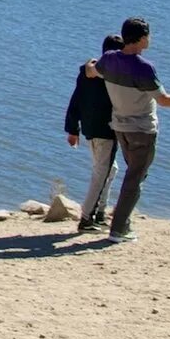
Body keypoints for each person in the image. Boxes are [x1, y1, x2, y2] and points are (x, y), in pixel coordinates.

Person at [96, 16, 170, 243]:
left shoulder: (108, 59)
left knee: (133, 175)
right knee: (135, 178)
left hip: (120, 128)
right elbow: (165, 100)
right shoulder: (144, 68)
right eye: (149, 35)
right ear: (141, 38)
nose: (151, 38)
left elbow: (93, 71)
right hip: (142, 130)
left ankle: (121, 222)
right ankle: (119, 229)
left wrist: (87, 67)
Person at [65, 34, 125, 232]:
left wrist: (73, 129)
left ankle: (99, 213)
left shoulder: (87, 73)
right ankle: (86, 218)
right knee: (101, 172)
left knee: (110, 169)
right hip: (105, 130)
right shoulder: (112, 76)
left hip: (90, 130)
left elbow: (76, 100)